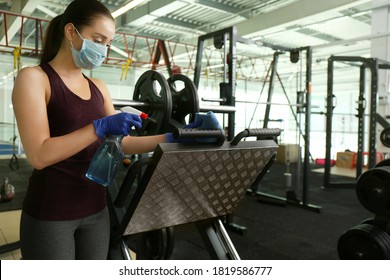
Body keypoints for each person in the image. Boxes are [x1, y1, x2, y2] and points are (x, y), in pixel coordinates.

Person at [12, 0, 221, 260]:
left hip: (96, 210)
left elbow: (123, 142)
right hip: (52, 211)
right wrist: (98, 128)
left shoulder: (99, 87)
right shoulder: (34, 78)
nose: (103, 50)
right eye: (98, 40)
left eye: (107, 44)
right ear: (70, 32)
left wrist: (176, 137)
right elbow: (39, 155)